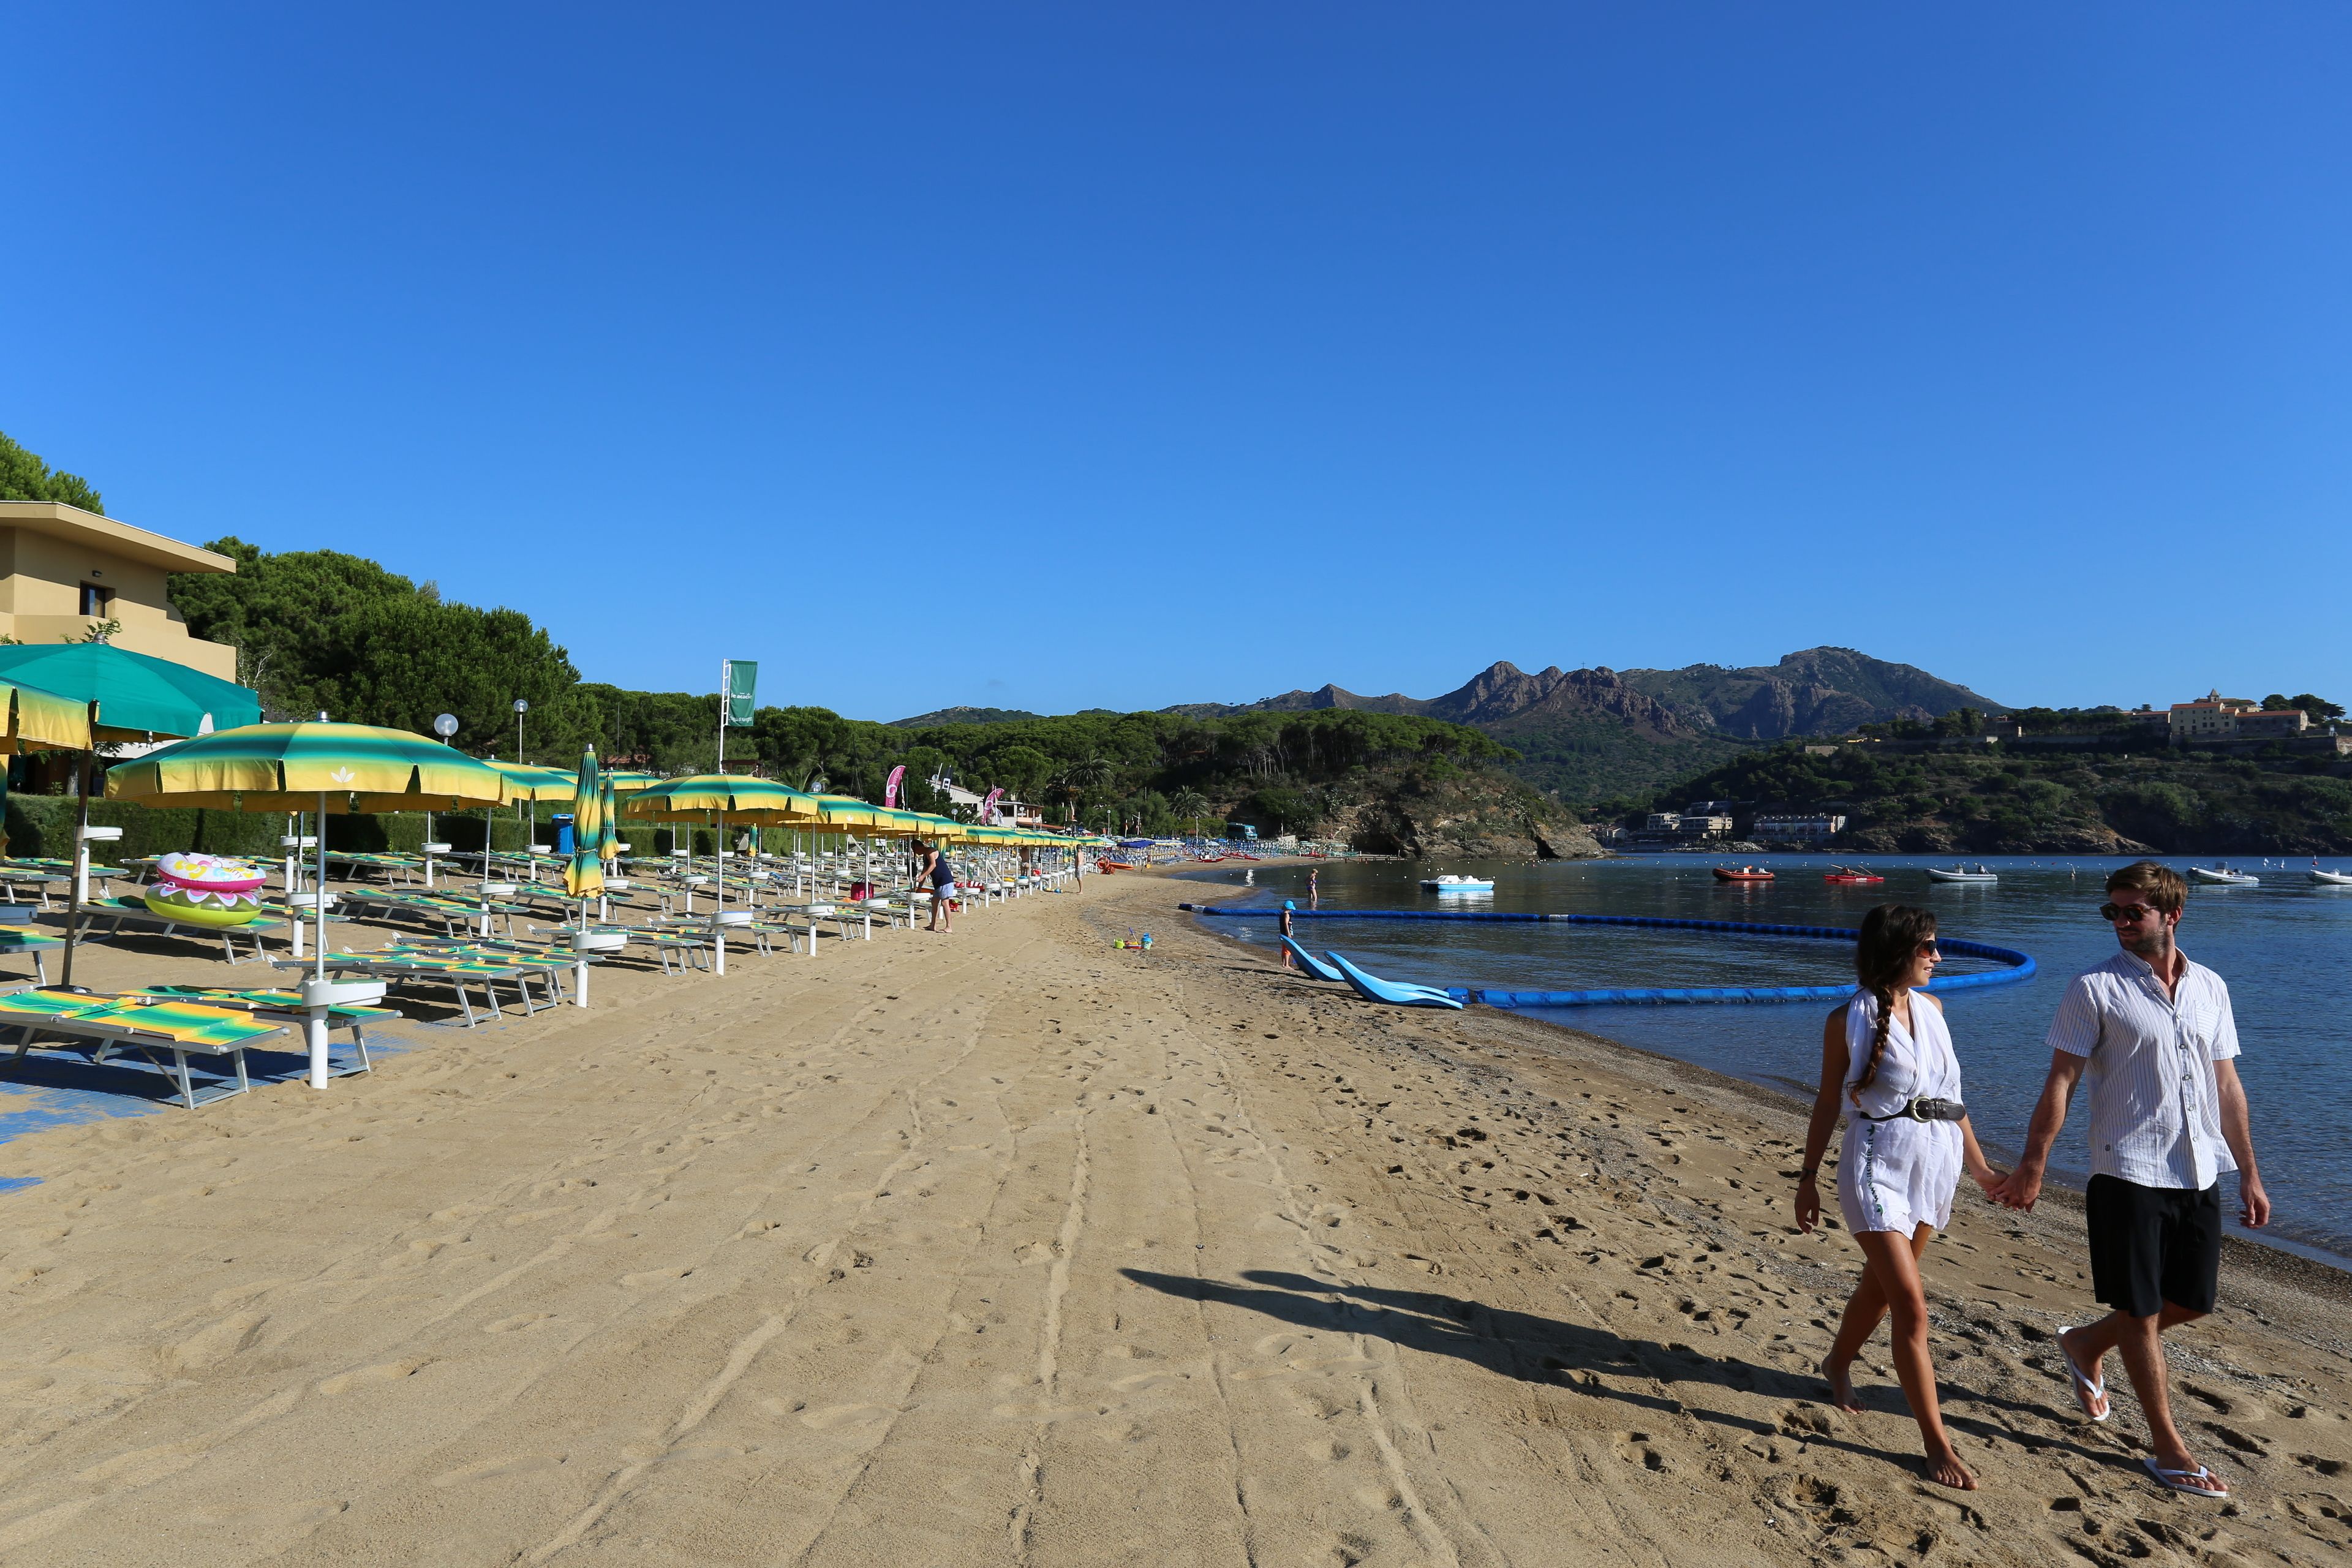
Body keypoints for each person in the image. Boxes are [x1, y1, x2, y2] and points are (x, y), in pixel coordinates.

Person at [1993, 861, 2267, 1501]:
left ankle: (2085, 1343)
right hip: (2126, 1169)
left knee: (2193, 1301)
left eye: (2132, 912)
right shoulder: (2094, 989)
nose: (2119, 922)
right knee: (2140, 1312)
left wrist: (2250, 1171)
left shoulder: (2212, 988)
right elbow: (2059, 1082)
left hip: (2198, 1167)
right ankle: (2169, 1450)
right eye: (2111, 912)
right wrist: (2033, 1163)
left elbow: (2228, 1087)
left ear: (2172, 914)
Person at [1795, 904, 2003, 1491]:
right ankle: (1937, 1444)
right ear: (1897, 951)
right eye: (1928, 948)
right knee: (1912, 1306)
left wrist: (1983, 1170)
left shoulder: (1935, 1010)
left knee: (1881, 1291)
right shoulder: (1846, 1020)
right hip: (1875, 1163)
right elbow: (1828, 1103)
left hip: (1933, 1164)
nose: (1938, 957)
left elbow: (1953, 1101)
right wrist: (1807, 1178)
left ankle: (1836, 1361)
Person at [913, 838, 957, 933]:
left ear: (918, 847)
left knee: (945, 903)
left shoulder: (931, 851)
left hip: (945, 880)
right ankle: (933, 925)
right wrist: (919, 887)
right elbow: (925, 871)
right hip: (937, 882)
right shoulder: (925, 856)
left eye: (914, 850)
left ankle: (949, 927)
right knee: (934, 902)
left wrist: (922, 876)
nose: (914, 852)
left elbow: (933, 865)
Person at [1278, 900, 1296, 968]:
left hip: (1283, 933)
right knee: (1288, 949)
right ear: (1290, 909)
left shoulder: (1282, 915)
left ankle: (1284, 964)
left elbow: (1284, 923)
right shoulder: (1287, 915)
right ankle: (1286, 965)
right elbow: (1285, 924)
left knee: (1284, 949)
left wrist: (1289, 923)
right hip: (1287, 934)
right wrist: (1289, 934)